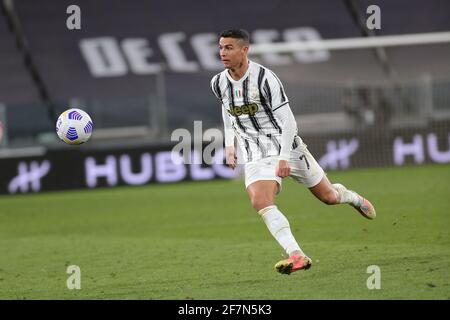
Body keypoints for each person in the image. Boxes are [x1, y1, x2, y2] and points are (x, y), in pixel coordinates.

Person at [210, 29, 376, 275]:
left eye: (229, 48)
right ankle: (296, 254)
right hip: (255, 151)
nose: (222, 53)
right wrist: (230, 145)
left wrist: (284, 157)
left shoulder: (266, 79)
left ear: (245, 50)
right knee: (260, 201)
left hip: (286, 145)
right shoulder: (218, 82)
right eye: (221, 47)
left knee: (329, 197)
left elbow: (288, 120)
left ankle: (350, 197)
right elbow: (227, 110)